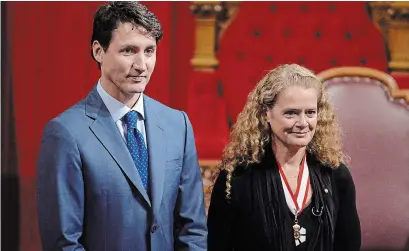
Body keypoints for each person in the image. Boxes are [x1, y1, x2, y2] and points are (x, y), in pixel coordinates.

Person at [36, 2, 207, 250]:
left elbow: (193, 230)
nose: (141, 65)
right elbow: (64, 243)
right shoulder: (65, 133)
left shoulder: (177, 124)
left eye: (149, 51)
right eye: (129, 50)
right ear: (99, 51)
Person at [207, 64, 361, 251]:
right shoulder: (236, 178)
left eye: (310, 113)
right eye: (291, 113)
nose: (303, 123)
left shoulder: (336, 175)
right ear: (266, 114)